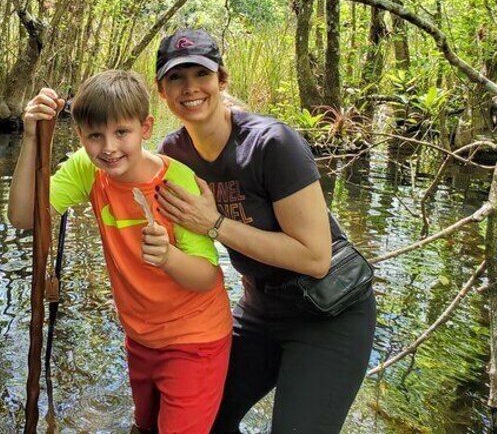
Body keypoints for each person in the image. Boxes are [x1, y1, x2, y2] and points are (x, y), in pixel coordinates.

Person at [153, 29, 377, 433]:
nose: (190, 88)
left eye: (201, 74)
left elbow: (315, 257)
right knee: (198, 419)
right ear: (161, 92)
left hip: (328, 312)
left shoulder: (272, 144)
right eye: (176, 78)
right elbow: (120, 164)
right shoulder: (174, 154)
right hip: (258, 308)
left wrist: (216, 225)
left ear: (221, 80)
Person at [8, 70, 233, 433]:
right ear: (80, 136)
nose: (109, 148)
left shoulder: (176, 182)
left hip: (195, 340)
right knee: (143, 427)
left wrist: (169, 258)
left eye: (121, 133)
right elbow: (23, 217)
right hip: (140, 339)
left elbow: (208, 277)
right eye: (95, 136)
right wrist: (32, 138)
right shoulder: (89, 168)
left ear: (145, 128)